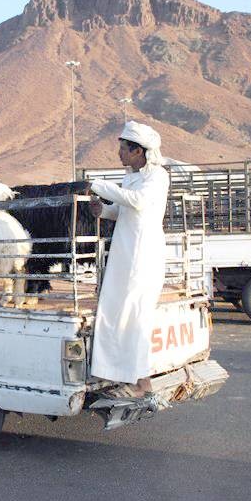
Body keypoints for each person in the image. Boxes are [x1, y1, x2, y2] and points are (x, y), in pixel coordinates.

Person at [88, 121, 169, 396]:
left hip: (143, 255)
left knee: (135, 318)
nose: (119, 154)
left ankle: (142, 381)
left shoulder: (157, 176)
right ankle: (120, 374)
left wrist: (100, 185)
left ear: (138, 151)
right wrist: (103, 210)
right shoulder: (131, 177)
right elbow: (124, 210)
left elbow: (138, 202)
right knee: (116, 313)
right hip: (125, 253)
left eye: (123, 149)